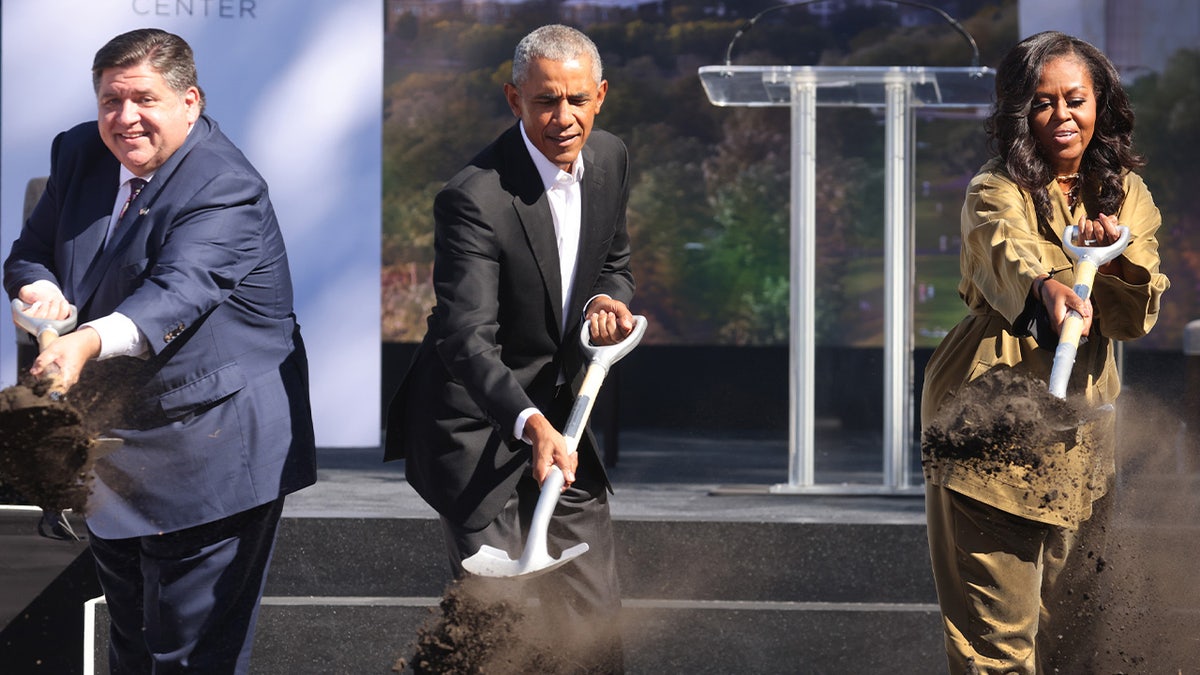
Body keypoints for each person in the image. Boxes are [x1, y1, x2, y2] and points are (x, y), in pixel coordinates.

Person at [3, 28, 316, 673]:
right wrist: (43, 290)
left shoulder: (226, 185)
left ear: (191, 101)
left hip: (210, 447)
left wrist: (85, 338)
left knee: (191, 655)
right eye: (110, 102)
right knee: (134, 645)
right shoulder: (80, 152)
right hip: (116, 449)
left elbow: (178, 293)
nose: (125, 120)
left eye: (143, 99)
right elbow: (30, 252)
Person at [384, 24, 635, 671]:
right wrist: (529, 424)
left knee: (593, 623)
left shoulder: (610, 159)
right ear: (513, 98)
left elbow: (612, 259)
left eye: (576, 99)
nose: (563, 117)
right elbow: (465, 338)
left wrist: (605, 300)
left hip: (563, 423)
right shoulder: (473, 197)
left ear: (600, 95)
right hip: (476, 427)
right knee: (496, 628)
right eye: (545, 100)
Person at [920, 31, 1169, 673]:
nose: (1062, 116)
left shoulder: (1128, 198)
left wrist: (1109, 261)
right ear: (1017, 113)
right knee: (997, 637)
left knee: (1072, 630)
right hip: (990, 411)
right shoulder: (994, 187)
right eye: (1042, 102)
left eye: (1076, 100)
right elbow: (1004, 249)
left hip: (1084, 422)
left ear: (1101, 105)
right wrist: (1045, 287)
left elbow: (1132, 315)